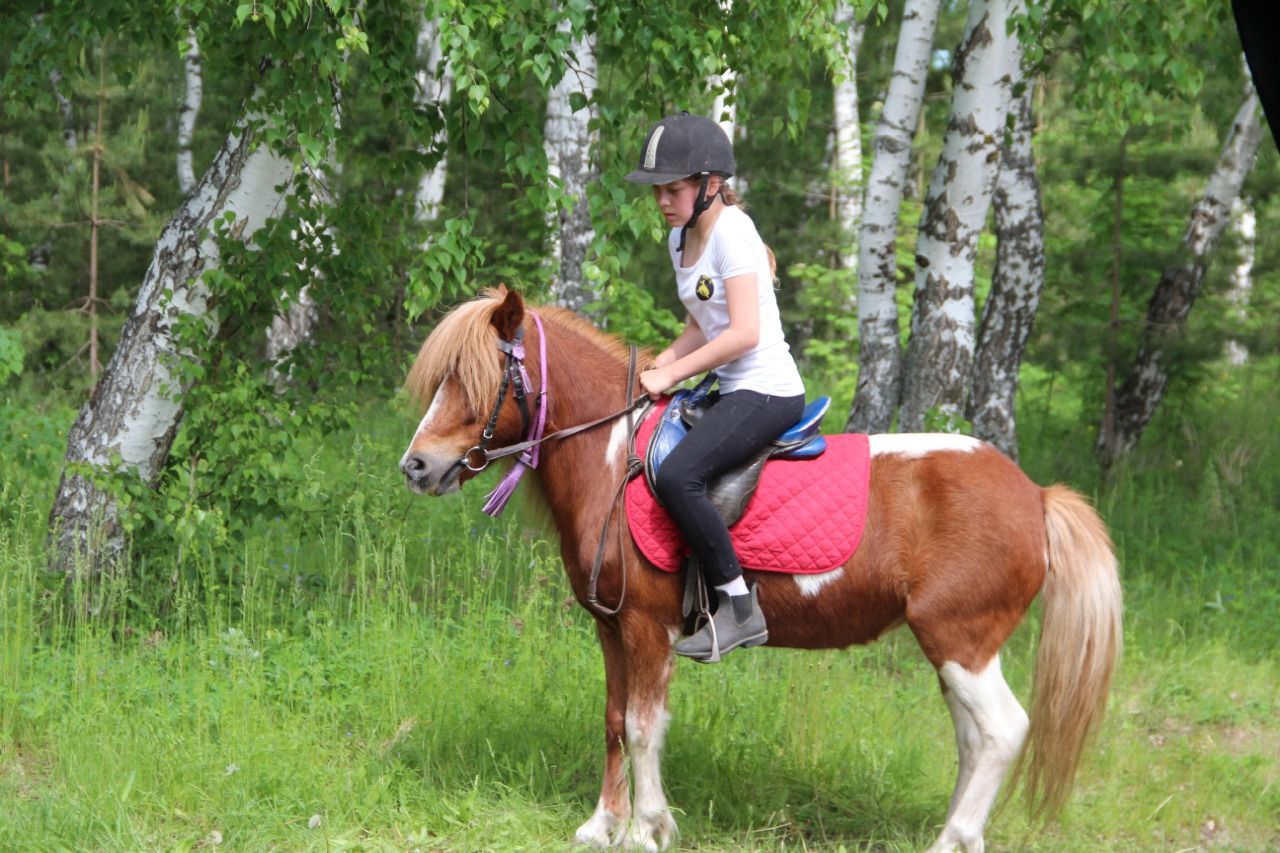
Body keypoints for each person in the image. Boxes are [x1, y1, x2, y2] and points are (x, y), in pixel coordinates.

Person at [625, 112, 806, 662]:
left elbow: (744, 333)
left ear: (708, 185)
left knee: (681, 475)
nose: (662, 200)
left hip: (768, 390)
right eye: (657, 189)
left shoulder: (734, 233)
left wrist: (675, 373)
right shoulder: (680, 238)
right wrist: (659, 361)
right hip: (731, 389)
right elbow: (703, 323)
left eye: (672, 188)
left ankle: (739, 608)